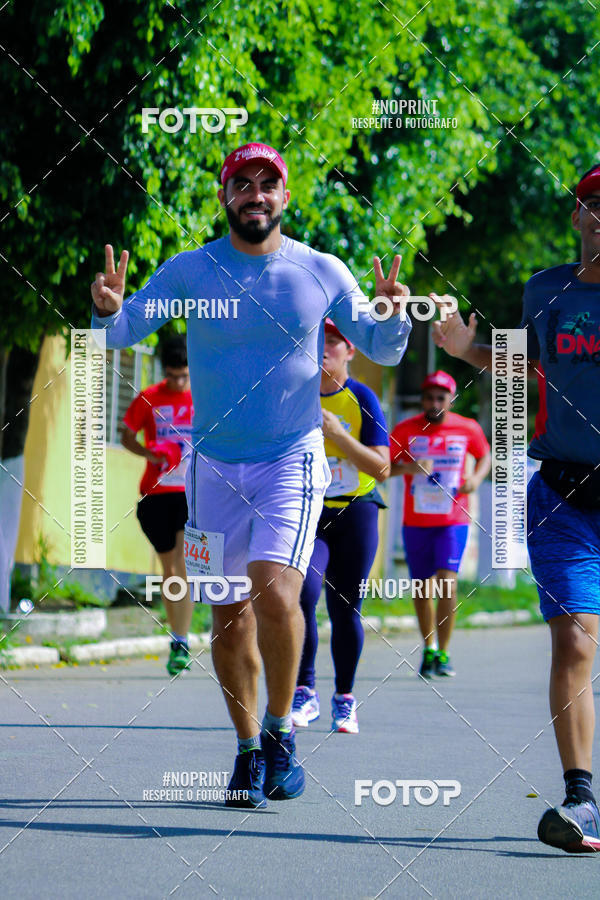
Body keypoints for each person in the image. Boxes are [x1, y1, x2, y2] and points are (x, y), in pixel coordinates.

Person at [90, 142, 413, 809]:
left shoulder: (319, 271)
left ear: (285, 199)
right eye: (244, 183)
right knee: (228, 615)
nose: (256, 194)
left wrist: (392, 314)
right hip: (210, 470)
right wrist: (107, 308)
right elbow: (122, 333)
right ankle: (244, 749)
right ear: (224, 195)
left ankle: (279, 735)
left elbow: (379, 346)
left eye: (269, 184)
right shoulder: (191, 271)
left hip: (291, 459)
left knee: (274, 589)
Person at [431, 162, 600, 852]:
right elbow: (513, 360)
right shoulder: (547, 290)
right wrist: (462, 345)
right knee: (576, 638)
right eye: (594, 203)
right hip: (564, 494)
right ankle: (582, 799)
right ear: (577, 217)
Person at [293, 318, 390, 734]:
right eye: (319, 341)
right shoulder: (294, 397)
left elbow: (383, 466)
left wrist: (338, 434)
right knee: (301, 594)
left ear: (350, 352)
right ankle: (304, 691)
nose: (325, 348)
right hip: (307, 510)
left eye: (334, 342)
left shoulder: (362, 397)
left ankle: (345, 699)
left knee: (344, 607)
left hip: (355, 510)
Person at [389, 371, 490, 678]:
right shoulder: (406, 430)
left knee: (447, 583)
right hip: (416, 521)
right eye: (429, 397)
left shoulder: (467, 428)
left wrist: (475, 477)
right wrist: (410, 466)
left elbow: (485, 456)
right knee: (422, 588)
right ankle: (429, 647)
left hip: (452, 520)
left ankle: (444, 652)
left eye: (441, 398)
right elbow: (383, 468)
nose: (435, 403)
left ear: (451, 399)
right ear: (423, 399)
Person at [121, 336, 194, 676]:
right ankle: (177, 638)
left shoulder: (204, 398)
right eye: (172, 376)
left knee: (182, 564)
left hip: (192, 493)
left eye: (184, 375)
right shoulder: (149, 397)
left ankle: (182, 639)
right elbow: (125, 435)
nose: (178, 382)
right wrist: (150, 453)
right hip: (156, 493)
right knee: (170, 571)